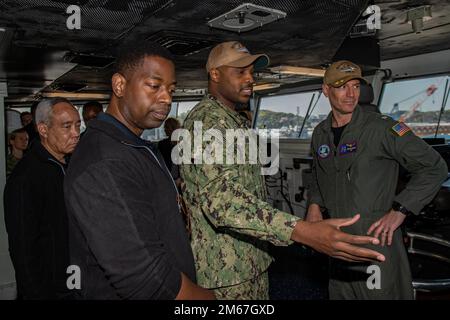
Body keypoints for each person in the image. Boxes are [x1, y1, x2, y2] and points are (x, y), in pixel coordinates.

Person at [180, 41, 385, 300]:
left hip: (249, 261)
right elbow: (223, 203)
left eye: (251, 72)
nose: (249, 79)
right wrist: (301, 230)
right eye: (240, 72)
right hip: (224, 273)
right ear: (215, 74)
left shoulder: (234, 120)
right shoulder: (205, 122)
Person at [64, 42, 214, 300]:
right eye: (154, 86)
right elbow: (146, 281)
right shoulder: (105, 161)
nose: (167, 97)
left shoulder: (134, 145)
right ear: (120, 86)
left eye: (171, 89)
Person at [306, 60, 448, 299]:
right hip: (337, 239)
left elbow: (434, 167)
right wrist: (313, 205)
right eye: (342, 87)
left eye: (355, 86)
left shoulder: (383, 129)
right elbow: (318, 174)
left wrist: (400, 210)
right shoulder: (321, 132)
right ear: (326, 90)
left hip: (374, 238)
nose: (351, 94)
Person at [4, 97, 81, 299]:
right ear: (43, 130)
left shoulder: (70, 164)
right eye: (67, 126)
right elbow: (23, 249)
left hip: (75, 279)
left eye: (77, 125)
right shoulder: (26, 177)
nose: (75, 133)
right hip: (49, 289)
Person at [158, 117, 182, 183]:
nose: (164, 129)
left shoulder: (163, 144)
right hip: (181, 176)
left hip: (170, 177)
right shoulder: (183, 142)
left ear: (170, 129)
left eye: (165, 127)